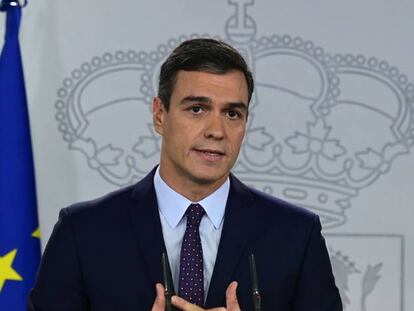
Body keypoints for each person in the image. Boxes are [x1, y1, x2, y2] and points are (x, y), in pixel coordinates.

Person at [29, 38, 342, 311]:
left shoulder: (295, 235)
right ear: (159, 115)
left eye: (233, 113)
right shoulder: (83, 232)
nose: (217, 131)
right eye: (197, 109)